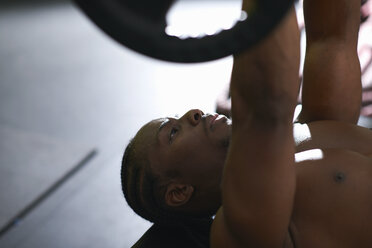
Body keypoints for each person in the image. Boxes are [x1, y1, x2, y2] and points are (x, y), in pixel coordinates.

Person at [122, 0, 372, 246]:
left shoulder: (306, 128)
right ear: (178, 192)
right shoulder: (241, 231)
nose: (193, 113)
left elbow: (332, 38)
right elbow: (264, 106)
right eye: (173, 132)